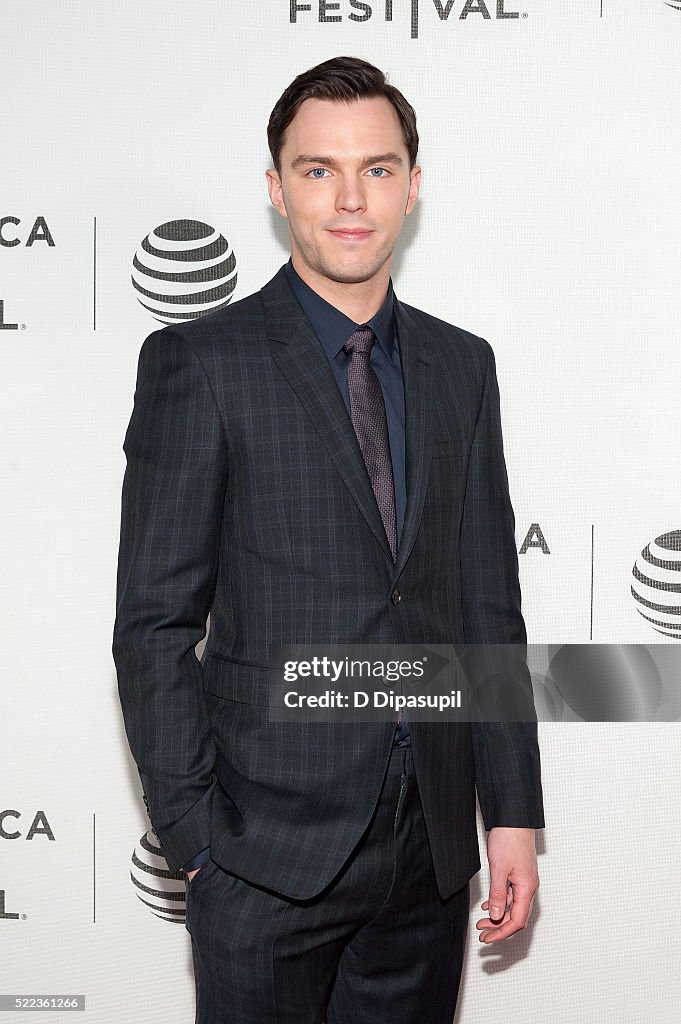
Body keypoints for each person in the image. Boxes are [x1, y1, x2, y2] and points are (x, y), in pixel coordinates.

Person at [112, 55, 544, 1024]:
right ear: (277, 188)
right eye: (319, 169)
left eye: (377, 168)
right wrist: (198, 842)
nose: (351, 198)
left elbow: (486, 604)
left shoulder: (460, 366)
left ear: (413, 185)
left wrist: (509, 810)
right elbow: (152, 624)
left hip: (427, 852)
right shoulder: (200, 362)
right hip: (261, 855)